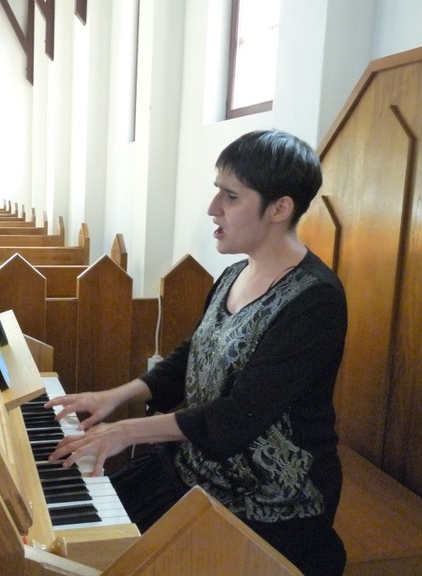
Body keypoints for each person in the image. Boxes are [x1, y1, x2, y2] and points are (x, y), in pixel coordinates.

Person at [45, 129, 347, 575]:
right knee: (73, 539)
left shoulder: (315, 300)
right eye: (216, 191)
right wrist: (115, 396)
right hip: (197, 465)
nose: (212, 208)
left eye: (231, 196)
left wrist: (127, 430)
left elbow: (241, 415)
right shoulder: (233, 275)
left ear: (279, 209)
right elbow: (194, 352)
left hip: (269, 497)